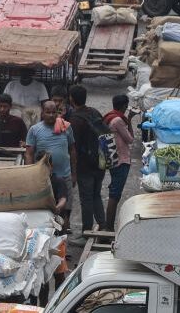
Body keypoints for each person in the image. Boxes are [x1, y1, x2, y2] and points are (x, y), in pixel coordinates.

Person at [67, 85, 108, 243]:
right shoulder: (95, 112)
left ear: (71, 98)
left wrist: (73, 171)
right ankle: (103, 227)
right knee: (96, 195)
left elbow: (73, 148)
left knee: (86, 199)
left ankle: (86, 233)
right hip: (100, 161)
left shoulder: (75, 120)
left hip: (85, 165)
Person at [26, 100, 76, 223]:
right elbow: (29, 153)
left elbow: (72, 150)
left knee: (66, 206)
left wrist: (74, 173)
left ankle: (65, 230)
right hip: (44, 177)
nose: (51, 115)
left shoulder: (65, 127)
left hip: (65, 174)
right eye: (48, 112)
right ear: (42, 113)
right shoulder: (34, 130)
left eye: (54, 112)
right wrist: (30, 173)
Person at [103, 95, 134, 230]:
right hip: (121, 160)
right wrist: (131, 120)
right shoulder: (118, 121)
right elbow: (130, 139)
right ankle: (109, 227)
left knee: (114, 193)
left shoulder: (110, 116)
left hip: (113, 158)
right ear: (124, 106)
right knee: (115, 195)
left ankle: (109, 226)